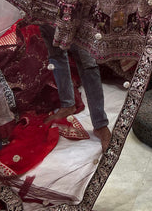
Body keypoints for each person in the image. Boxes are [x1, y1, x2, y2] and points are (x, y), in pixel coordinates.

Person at [39, 24, 112, 152]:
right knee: (56, 53)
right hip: (48, 8)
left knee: (87, 60)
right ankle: (67, 104)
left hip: (77, 10)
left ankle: (100, 124)